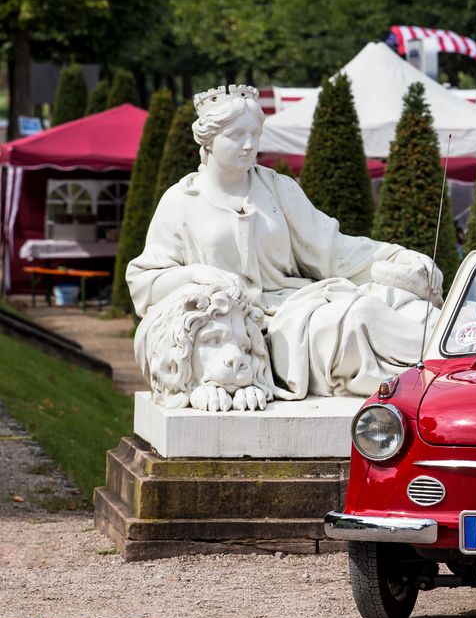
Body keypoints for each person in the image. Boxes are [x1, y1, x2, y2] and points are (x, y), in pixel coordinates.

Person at [128, 85, 443, 399]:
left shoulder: (278, 188)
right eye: (237, 135)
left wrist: (395, 258)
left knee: (404, 303)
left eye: (255, 134)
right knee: (356, 320)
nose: (249, 145)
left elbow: (332, 249)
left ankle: (456, 349)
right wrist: (195, 274)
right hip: (255, 330)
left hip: (300, 302)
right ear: (208, 140)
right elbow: (145, 284)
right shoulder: (181, 202)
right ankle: (442, 367)